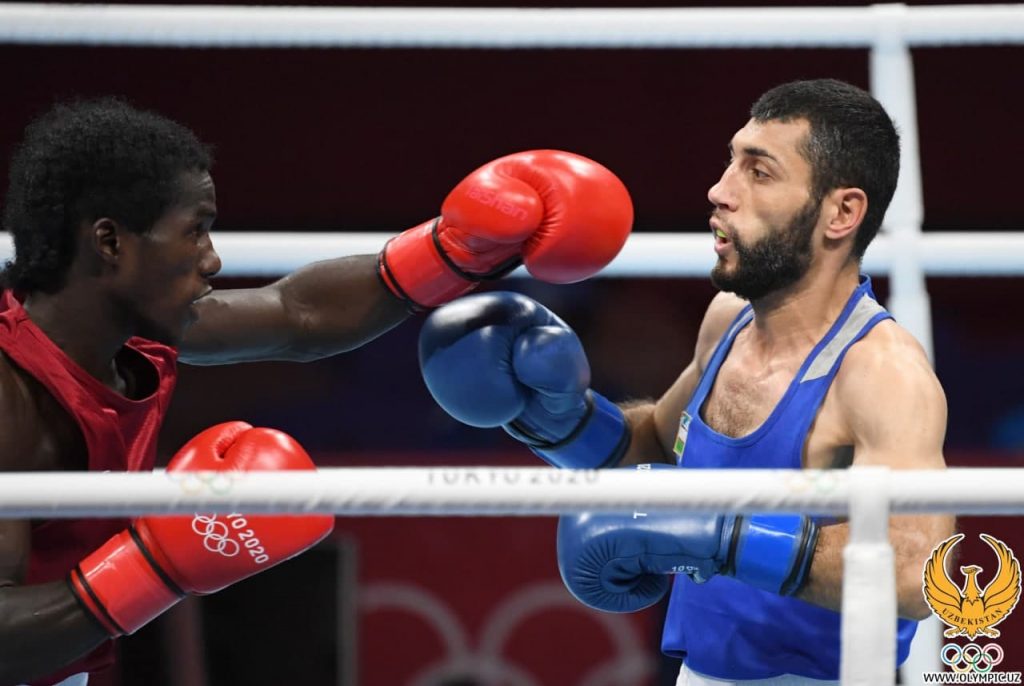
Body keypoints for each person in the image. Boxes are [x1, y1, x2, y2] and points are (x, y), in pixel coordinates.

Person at [0, 98, 634, 686]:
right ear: (110, 243)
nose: (213, 259)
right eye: (194, 231)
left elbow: (297, 313)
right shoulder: (12, 398)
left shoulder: (135, 335)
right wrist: (155, 566)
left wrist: (456, 250)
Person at [417, 79, 955, 685]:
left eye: (759, 172)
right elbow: (653, 446)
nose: (720, 190)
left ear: (841, 214)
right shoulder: (729, 320)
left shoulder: (881, 373)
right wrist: (556, 418)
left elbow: (918, 574)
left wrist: (720, 535)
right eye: (732, 161)